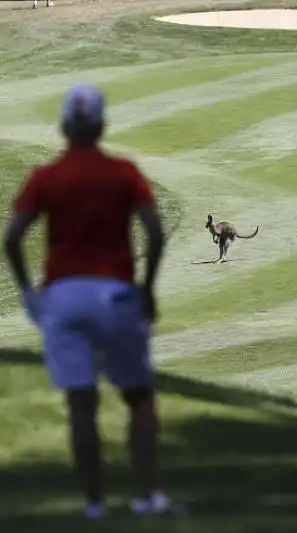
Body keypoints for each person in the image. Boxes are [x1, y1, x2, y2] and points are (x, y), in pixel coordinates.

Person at [2, 83, 178, 519]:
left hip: (63, 296)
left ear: (64, 126)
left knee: (81, 403)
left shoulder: (45, 177)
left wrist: (28, 291)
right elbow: (155, 230)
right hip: (115, 292)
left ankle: (95, 504)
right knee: (138, 396)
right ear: (101, 125)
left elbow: (12, 238)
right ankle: (147, 497)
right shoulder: (123, 172)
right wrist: (149, 286)